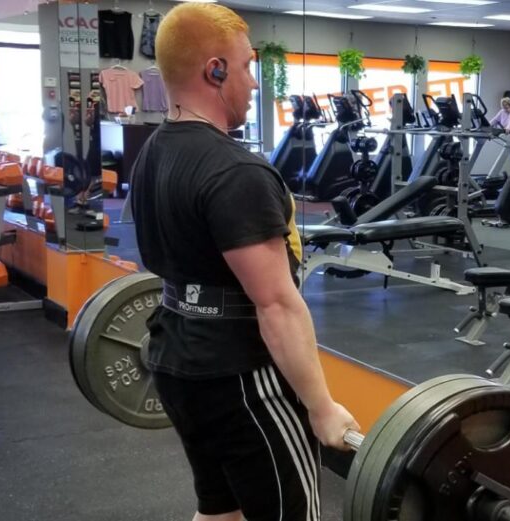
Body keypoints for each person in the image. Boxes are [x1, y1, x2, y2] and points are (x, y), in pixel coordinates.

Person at [130, 4, 358, 521]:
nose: (254, 83)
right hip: (243, 378)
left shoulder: (153, 152)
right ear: (215, 70)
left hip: (176, 359)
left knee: (220, 511)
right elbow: (276, 304)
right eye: (248, 67)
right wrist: (321, 407)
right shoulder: (236, 171)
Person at [489, 96, 510, 167]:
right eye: (504, 108)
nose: (505, 110)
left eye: (506, 107)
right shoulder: (503, 111)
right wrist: (487, 126)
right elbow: (495, 119)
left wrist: (508, 128)